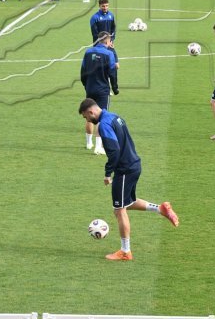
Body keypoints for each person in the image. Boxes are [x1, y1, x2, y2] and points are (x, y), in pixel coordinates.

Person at [79, 98, 179, 261]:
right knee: (127, 202)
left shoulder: (104, 125)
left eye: (86, 117)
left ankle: (125, 251)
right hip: (134, 164)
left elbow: (114, 151)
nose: (88, 120)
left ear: (91, 111)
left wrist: (107, 173)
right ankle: (160, 209)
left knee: (119, 210)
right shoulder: (114, 116)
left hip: (124, 169)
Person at [80, 31, 119, 155]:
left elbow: (82, 72)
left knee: (89, 114)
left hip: (90, 88)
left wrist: (86, 85)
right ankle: (98, 147)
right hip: (102, 90)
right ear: (107, 41)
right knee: (101, 117)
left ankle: (88, 143)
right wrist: (115, 88)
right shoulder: (109, 54)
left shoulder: (88, 52)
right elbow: (112, 73)